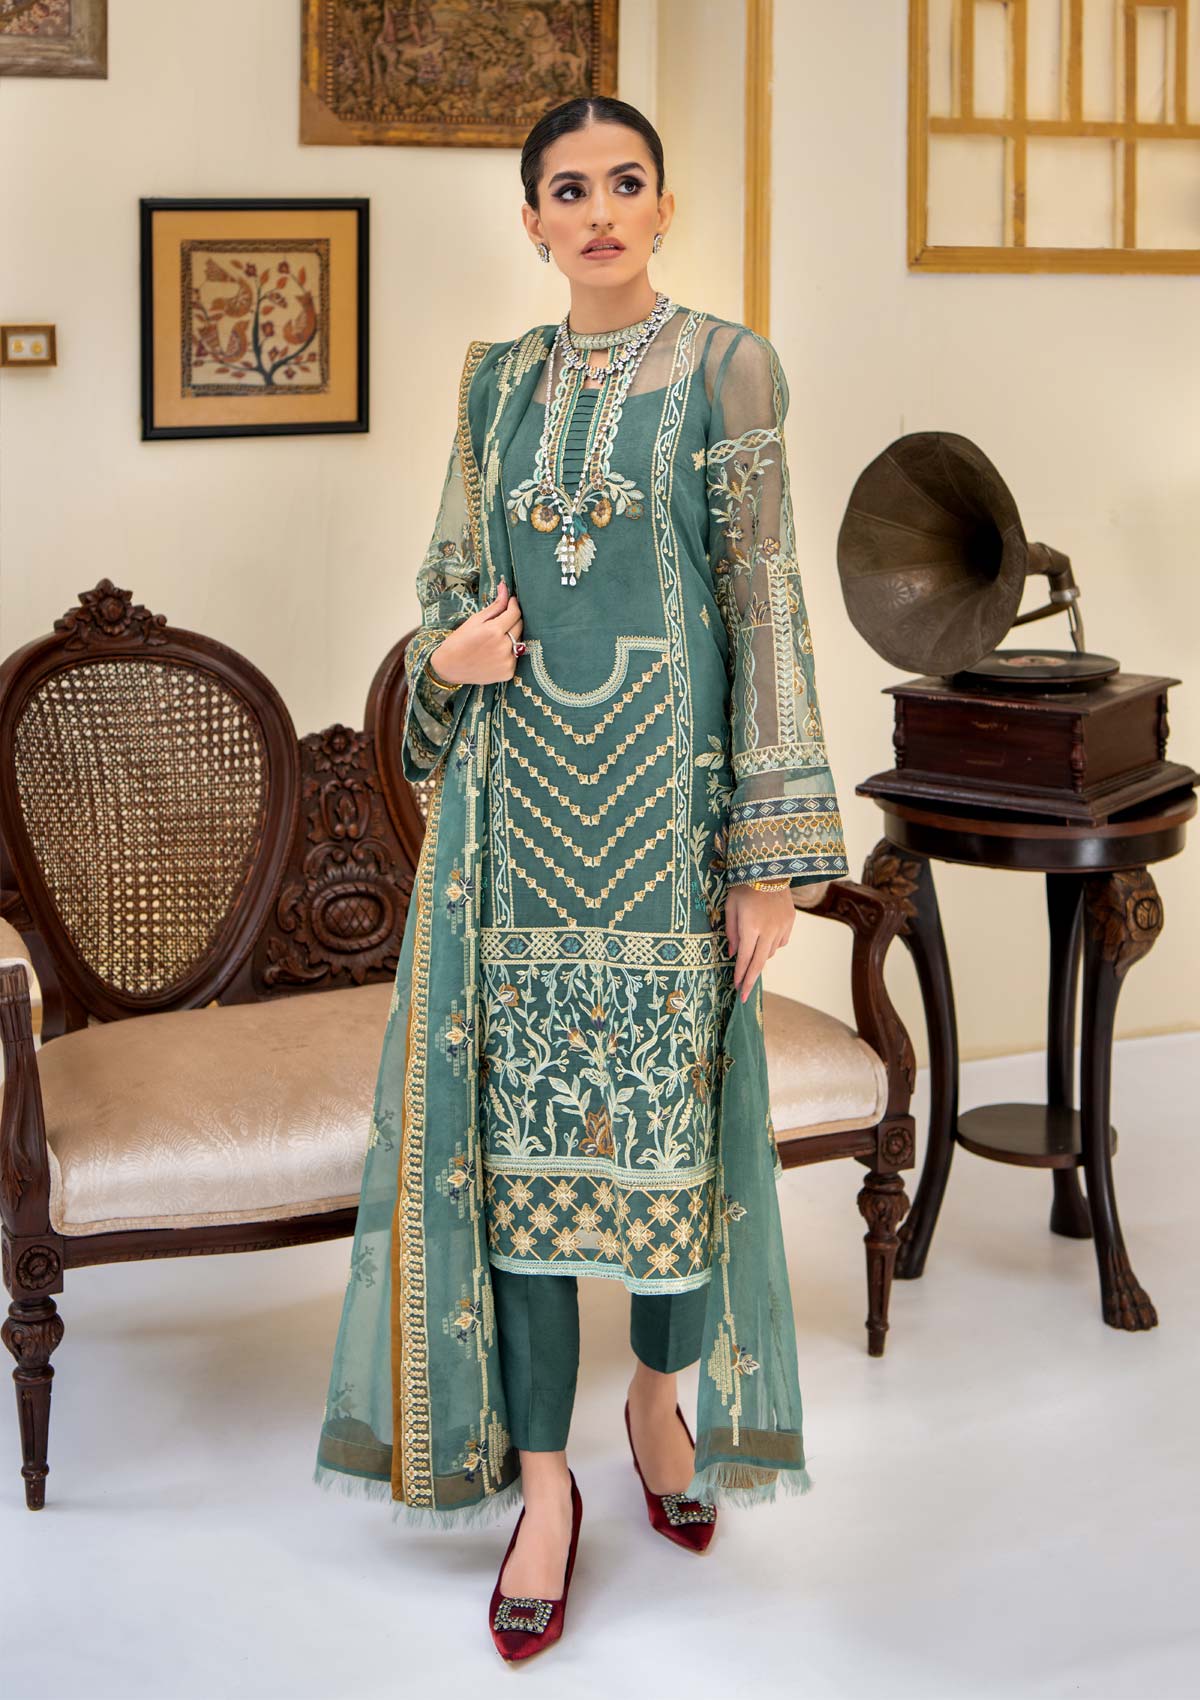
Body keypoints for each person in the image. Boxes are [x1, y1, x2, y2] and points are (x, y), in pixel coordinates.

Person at [313, 94, 849, 1662]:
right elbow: (449, 586)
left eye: (626, 184)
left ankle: (657, 1404)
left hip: (670, 835)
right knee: (521, 1176)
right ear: (532, 220)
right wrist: (450, 660)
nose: (599, 210)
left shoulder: (730, 369)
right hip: (517, 836)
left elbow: (767, 605)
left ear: (664, 208)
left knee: (671, 1153)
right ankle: (544, 1490)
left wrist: (768, 859)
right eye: (569, 189)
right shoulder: (496, 385)